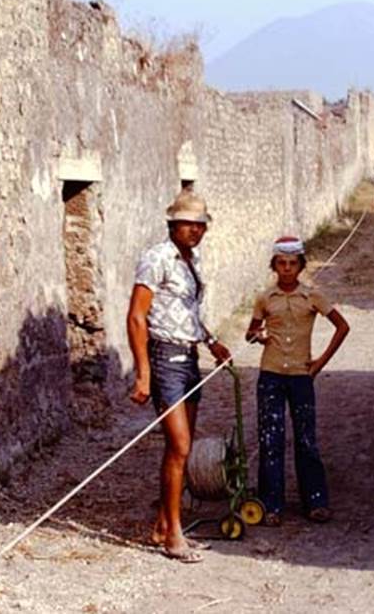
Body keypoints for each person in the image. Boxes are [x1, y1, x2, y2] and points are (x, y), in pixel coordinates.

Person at [126, 190, 232, 563]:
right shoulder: (157, 258)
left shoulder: (192, 260)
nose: (196, 231)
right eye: (188, 224)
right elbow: (137, 317)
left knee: (179, 449)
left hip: (189, 357)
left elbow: (186, 311)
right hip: (165, 359)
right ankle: (173, 534)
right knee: (181, 445)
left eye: (201, 225)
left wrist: (212, 340)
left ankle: (163, 525)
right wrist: (143, 373)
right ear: (173, 225)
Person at [245, 236, 350, 527]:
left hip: (302, 378)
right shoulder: (265, 298)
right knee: (271, 439)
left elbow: (342, 327)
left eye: (293, 263)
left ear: (301, 266)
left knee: (306, 440)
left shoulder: (313, 296)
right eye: (282, 263)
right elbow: (250, 333)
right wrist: (259, 336)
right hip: (271, 376)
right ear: (274, 266)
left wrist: (320, 363)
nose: (287, 269)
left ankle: (316, 500)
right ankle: (271, 504)